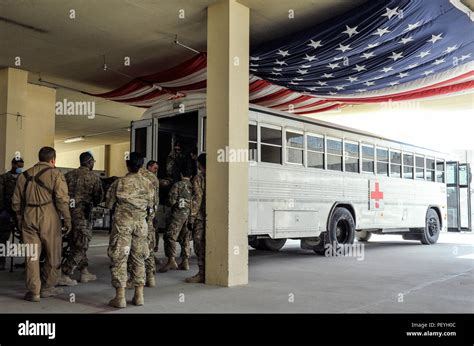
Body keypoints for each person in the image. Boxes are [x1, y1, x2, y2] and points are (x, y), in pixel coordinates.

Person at [12, 147, 71, 302]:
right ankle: (48, 287)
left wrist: (20, 218)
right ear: (53, 160)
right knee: (53, 252)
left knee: (31, 255)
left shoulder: (24, 175)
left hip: (28, 215)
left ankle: (34, 292)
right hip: (49, 214)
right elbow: (62, 199)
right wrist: (67, 218)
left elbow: (16, 202)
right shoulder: (56, 173)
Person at [106, 152, 155, 308]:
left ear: (127, 165)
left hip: (122, 225)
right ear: (141, 166)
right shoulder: (148, 184)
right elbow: (151, 207)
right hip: (141, 225)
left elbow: (108, 204)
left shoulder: (119, 183)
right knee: (139, 257)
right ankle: (139, 296)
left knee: (120, 257)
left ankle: (120, 298)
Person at [58, 152, 103, 286]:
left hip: (67, 215)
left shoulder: (68, 175)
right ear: (89, 162)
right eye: (93, 161)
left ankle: (84, 272)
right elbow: (98, 198)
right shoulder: (94, 177)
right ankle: (65, 273)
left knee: (74, 243)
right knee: (82, 245)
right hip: (82, 216)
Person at [125, 159, 159, 288]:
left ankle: (134, 278)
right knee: (148, 247)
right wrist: (152, 216)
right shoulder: (153, 179)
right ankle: (150, 277)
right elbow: (155, 200)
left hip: (133, 217)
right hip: (147, 217)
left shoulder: (128, 178)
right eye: (155, 168)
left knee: (134, 249)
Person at [159, 160, 193, 273]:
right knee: (185, 237)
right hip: (189, 215)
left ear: (181, 174)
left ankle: (171, 260)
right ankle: (185, 261)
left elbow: (171, 202)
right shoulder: (193, 186)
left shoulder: (178, 185)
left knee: (169, 236)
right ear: (191, 175)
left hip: (178, 215)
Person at [0, 157, 24, 270]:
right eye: (18, 166)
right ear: (12, 164)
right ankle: (1, 261)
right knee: (2, 238)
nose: (19, 168)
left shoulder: (24, 178)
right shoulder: (4, 178)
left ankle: (28, 261)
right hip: (7, 211)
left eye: (21, 166)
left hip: (20, 212)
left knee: (26, 237)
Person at [186, 153, 206, 283]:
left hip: (200, 217)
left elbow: (197, 198)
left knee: (199, 244)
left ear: (199, 164)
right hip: (214, 216)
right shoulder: (217, 176)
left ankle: (202, 273)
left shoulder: (199, 178)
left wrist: (192, 217)